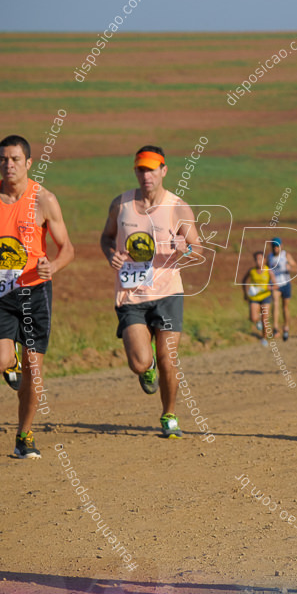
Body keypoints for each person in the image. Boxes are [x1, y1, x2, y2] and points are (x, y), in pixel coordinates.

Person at [0, 135, 75, 458]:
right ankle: (12, 364)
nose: (8, 165)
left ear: (28, 163)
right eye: (2, 159)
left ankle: (25, 436)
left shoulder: (45, 200)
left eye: (14, 159)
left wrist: (54, 266)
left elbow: (68, 249)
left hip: (35, 292)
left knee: (35, 373)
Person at [100, 145, 201, 438]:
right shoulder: (121, 205)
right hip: (131, 295)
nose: (147, 175)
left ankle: (169, 415)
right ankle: (147, 369)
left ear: (164, 171)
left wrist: (187, 248)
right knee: (140, 361)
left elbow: (200, 249)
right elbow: (106, 238)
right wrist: (111, 254)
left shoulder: (178, 206)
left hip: (168, 293)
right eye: (141, 169)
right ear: (136, 171)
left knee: (169, 357)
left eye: (152, 169)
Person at [266, 237, 297, 341]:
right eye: (274, 246)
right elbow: (266, 270)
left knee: (285, 307)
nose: (275, 248)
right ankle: (275, 328)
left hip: (286, 283)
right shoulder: (269, 257)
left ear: (281, 246)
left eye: (277, 246)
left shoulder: (286, 255)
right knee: (275, 303)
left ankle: (286, 327)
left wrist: (290, 268)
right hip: (275, 285)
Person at [243, 250, 278, 346]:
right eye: (257, 259)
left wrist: (269, 287)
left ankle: (264, 338)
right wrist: (245, 293)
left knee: (265, 319)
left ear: (264, 260)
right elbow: (244, 280)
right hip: (254, 297)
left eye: (260, 259)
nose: (259, 261)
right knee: (253, 318)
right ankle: (258, 321)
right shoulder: (252, 271)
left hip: (265, 296)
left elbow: (276, 286)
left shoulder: (268, 271)